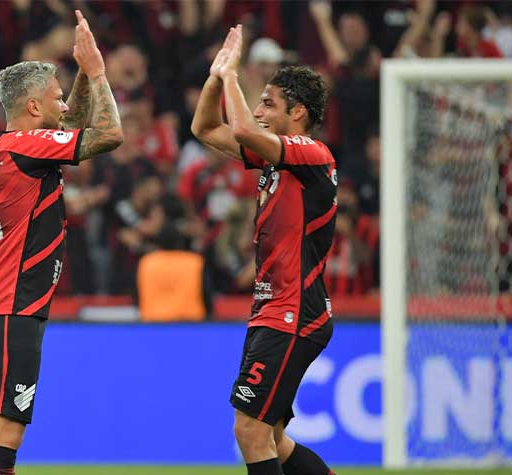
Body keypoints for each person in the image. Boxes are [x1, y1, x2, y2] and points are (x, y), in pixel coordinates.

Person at [0, 10, 122, 475]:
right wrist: (96, 72)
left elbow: (70, 119)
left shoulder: (3, 147)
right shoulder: (28, 147)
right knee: (3, 436)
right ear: (33, 110)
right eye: (53, 99)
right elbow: (108, 133)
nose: (61, 106)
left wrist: (80, 74)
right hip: (10, 307)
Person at [191, 26, 338, 475]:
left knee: (250, 430)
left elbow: (237, 125)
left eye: (268, 104)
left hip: (293, 312)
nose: (256, 111)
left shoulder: (311, 154)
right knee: (271, 436)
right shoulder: (276, 157)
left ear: (297, 113)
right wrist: (217, 77)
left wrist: (233, 76)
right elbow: (204, 126)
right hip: (275, 309)